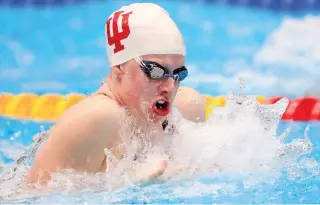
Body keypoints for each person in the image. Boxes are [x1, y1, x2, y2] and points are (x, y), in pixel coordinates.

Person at [27, 2, 206, 185]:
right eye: (155, 72)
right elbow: (31, 197)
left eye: (178, 74)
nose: (170, 86)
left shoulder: (185, 109)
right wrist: (126, 184)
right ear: (119, 67)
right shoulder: (97, 118)